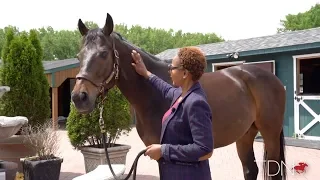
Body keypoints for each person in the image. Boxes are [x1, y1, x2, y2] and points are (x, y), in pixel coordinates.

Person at [131, 46, 214, 180]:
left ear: (185, 73)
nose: (169, 71)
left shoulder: (196, 103)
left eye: (172, 68)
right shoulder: (181, 93)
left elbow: (205, 149)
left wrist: (163, 150)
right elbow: (165, 89)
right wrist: (146, 73)